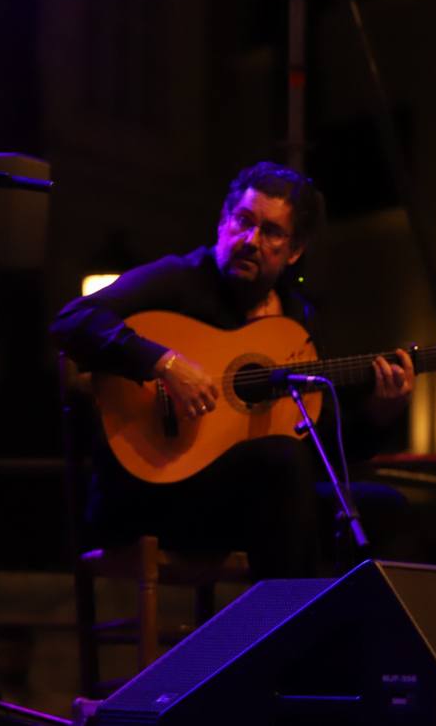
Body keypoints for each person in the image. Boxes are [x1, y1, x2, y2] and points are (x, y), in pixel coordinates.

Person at [50, 161, 413, 578]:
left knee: (385, 508)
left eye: (272, 232)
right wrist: (163, 362)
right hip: (153, 496)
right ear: (224, 221)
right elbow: (71, 321)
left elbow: (319, 447)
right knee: (280, 464)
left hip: (249, 502)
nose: (251, 240)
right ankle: (286, 635)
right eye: (243, 221)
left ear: (294, 251)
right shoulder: (180, 280)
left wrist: (377, 417)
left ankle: (348, 636)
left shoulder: (299, 321)